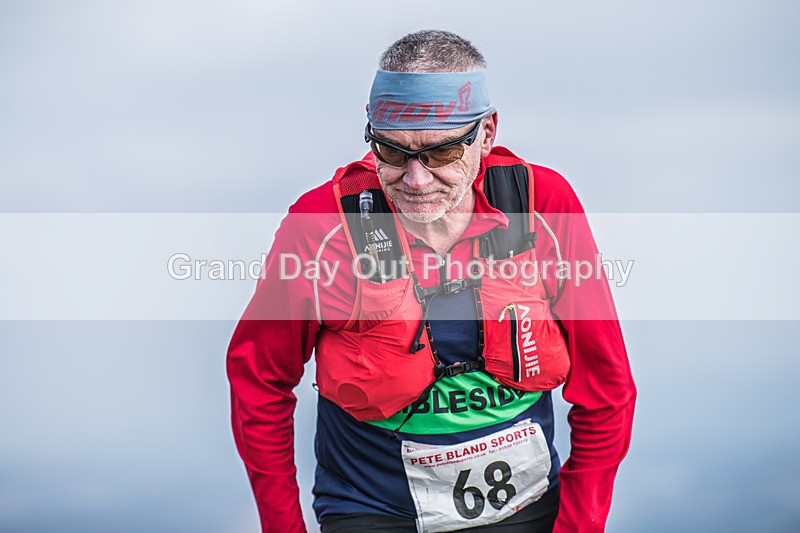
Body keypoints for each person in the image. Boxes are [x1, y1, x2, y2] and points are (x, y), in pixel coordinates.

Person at [227, 30, 636, 533]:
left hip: (527, 508)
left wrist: (580, 526)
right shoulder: (321, 226)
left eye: (441, 154)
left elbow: (608, 385)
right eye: (392, 153)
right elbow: (258, 378)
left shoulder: (542, 205)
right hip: (371, 510)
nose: (415, 179)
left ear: (487, 134)